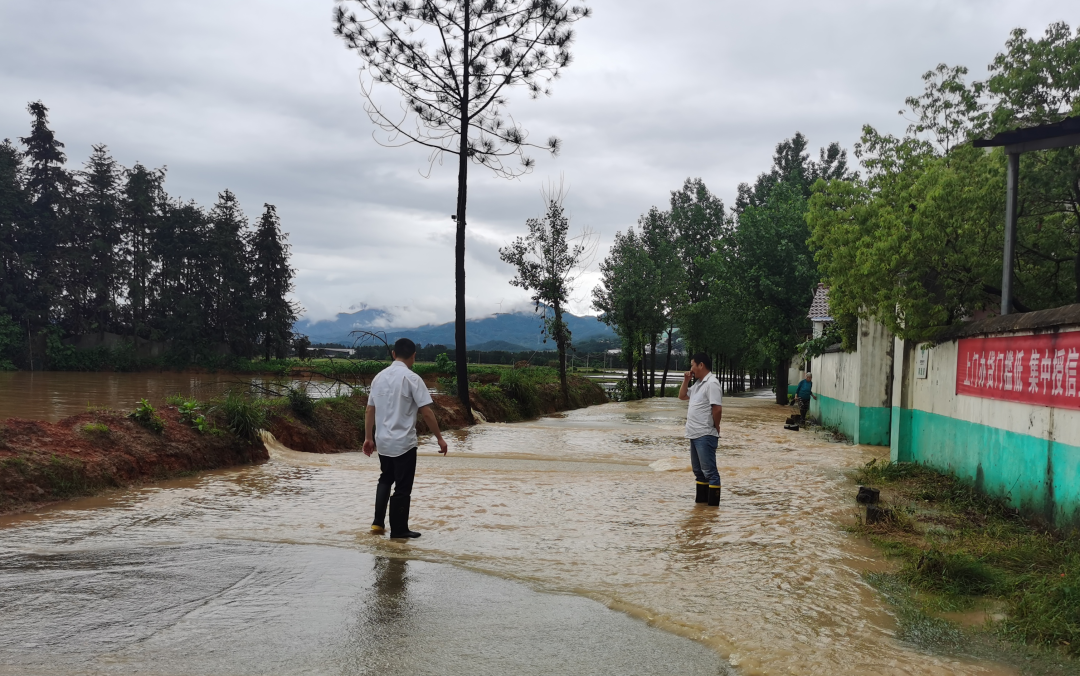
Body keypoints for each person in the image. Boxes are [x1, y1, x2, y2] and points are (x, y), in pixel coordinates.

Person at [363, 338, 448, 538]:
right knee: (402, 486)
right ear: (413, 356)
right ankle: (399, 530)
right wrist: (440, 439)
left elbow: (369, 410)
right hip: (404, 443)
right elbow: (426, 412)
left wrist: (368, 438)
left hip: (383, 441)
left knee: (386, 477)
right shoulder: (413, 379)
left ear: (393, 354)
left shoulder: (379, 378)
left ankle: (377, 524)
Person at [678, 352, 723, 506]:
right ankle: (702, 512)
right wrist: (686, 380)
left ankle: (713, 510)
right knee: (699, 473)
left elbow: (717, 409)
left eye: (692, 365)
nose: (691, 368)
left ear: (701, 365)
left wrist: (716, 427)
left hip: (705, 434)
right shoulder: (698, 384)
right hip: (694, 434)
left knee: (710, 473)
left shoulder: (712, 383)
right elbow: (682, 396)